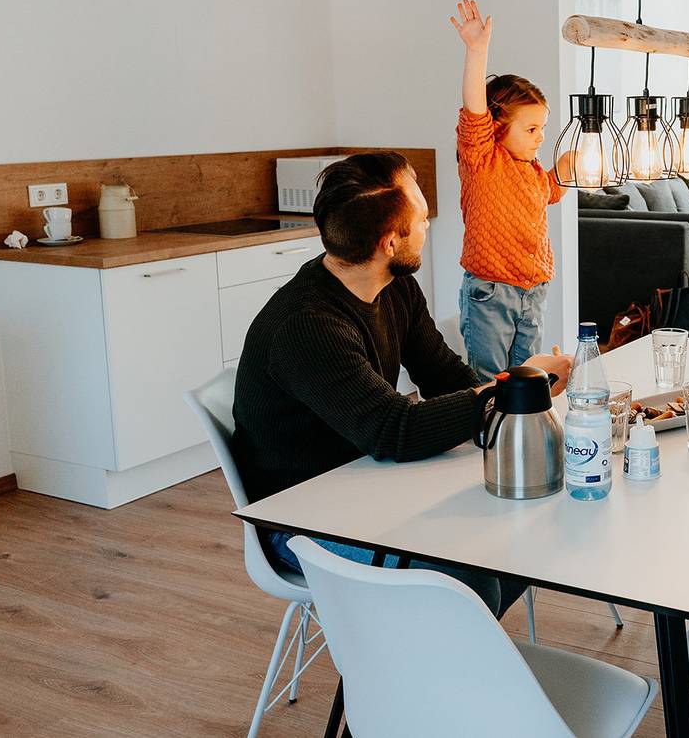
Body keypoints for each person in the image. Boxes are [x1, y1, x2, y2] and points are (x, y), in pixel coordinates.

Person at [231, 151, 572, 617]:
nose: (428, 221)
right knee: (466, 580)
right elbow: (395, 431)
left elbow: (444, 377)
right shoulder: (308, 326)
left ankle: (438, 654)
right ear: (390, 242)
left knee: (516, 530)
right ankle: (400, 660)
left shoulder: (394, 287)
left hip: (370, 484)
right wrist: (515, 388)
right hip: (303, 521)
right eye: (421, 214)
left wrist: (509, 394)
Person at [449, 0, 575, 381]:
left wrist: (566, 169)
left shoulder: (532, 170)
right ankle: (490, 422)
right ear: (498, 125)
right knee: (491, 380)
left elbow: (549, 192)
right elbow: (474, 110)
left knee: (526, 378)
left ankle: (525, 420)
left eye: (542, 129)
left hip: (533, 291)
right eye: (532, 129)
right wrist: (477, 49)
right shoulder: (482, 158)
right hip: (492, 291)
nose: (540, 137)